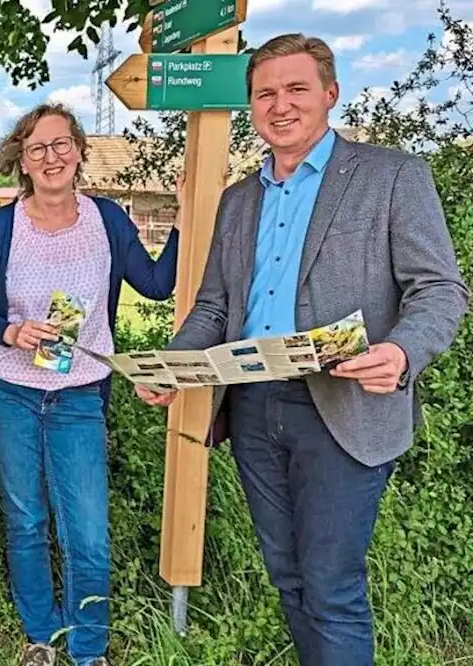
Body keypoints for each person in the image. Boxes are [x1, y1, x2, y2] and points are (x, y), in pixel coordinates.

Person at [137, 34, 468, 666]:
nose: (280, 105)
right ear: (251, 106)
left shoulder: (392, 176)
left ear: (330, 94)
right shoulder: (238, 201)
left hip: (344, 407)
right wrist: (174, 366)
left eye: (296, 89)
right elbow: (212, 307)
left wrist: (401, 353)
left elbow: (440, 289)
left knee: (332, 585)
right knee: (287, 576)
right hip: (254, 406)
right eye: (265, 93)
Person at [0, 102, 181, 666]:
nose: (52, 156)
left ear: (80, 151)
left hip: (80, 392)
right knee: (27, 518)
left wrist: (188, 212)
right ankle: (43, 636)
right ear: (23, 161)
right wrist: (10, 331)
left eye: (62, 144)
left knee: (87, 528)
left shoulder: (106, 219)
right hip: (7, 390)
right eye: (38, 148)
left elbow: (157, 284)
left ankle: (89, 648)